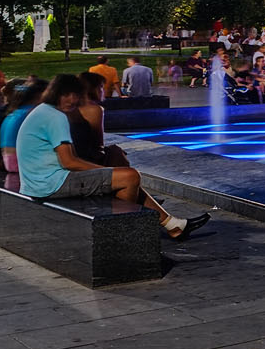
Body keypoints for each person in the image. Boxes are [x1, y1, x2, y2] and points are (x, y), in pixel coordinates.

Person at [16, 74, 208, 240]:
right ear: (59, 93)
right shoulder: (55, 116)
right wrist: (108, 172)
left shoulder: (44, 111)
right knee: (129, 176)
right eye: (71, 95)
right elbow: (69, 161)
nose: (74, 100)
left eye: (76, 95)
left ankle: (173, 225)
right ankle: (124, 235)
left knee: (122, 173)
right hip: (50, 183)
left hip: (39, 180)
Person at [1, 77, 45, 173]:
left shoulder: (14, 113)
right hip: (22, 164)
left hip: (9, 163)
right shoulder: (32, 113)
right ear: (39, 96)